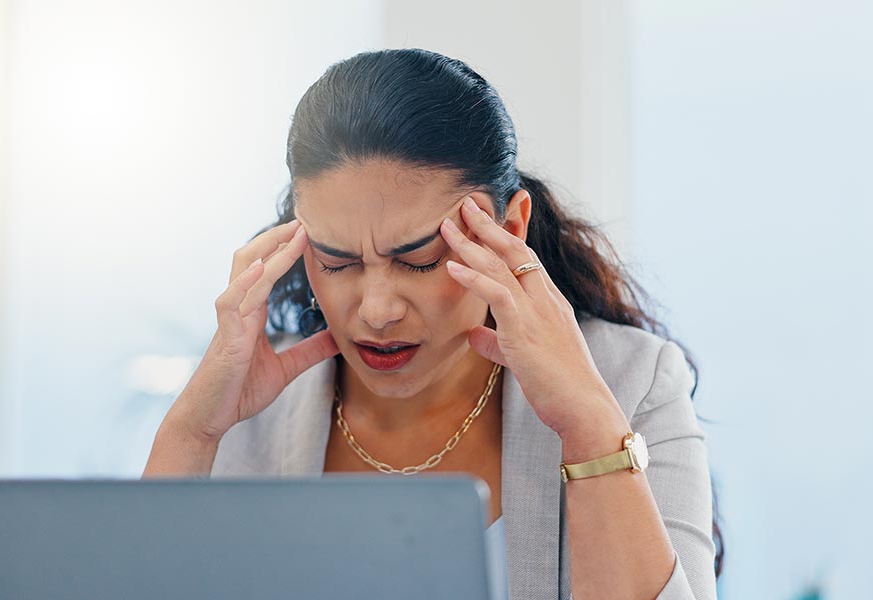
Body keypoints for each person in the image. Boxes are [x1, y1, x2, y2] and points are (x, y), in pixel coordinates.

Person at [143, 48, 721, 600]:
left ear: (509, 228)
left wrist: (589, 425)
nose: (376, 310)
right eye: (337, 262)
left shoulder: (632, 381)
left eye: (418, 260)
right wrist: (192, 433)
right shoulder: (254, 412)